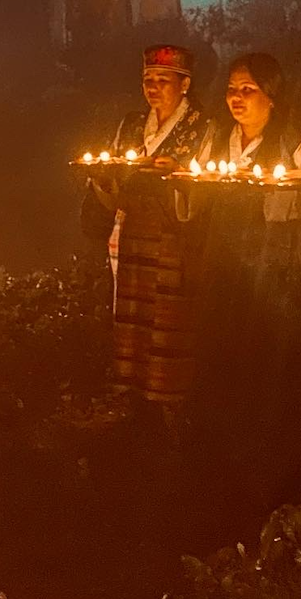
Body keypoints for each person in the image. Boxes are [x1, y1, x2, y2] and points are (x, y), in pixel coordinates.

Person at [186, 53, 301, 494]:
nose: (237, 98)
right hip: (225, 255)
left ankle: (272, 458)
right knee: (221, 344)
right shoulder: (216, 140)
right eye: (231, 89)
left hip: (277, 259)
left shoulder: (295, 142)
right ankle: (215, 452)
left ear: (272, 95)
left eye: (248, 89)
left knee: (268, 352)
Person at [84, 45, 209, 405]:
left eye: (163, 80)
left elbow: (202, 185)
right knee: (130, 311)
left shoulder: (201, 127)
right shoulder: (131, 123)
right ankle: (130, 394)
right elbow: (115, 175)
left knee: (167, 315)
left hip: (173, 234)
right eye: (147, 80)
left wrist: (175, 177)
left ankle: (168, 404)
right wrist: (103, 178)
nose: (153, 88)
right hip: (131, 229)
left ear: (184, 85)